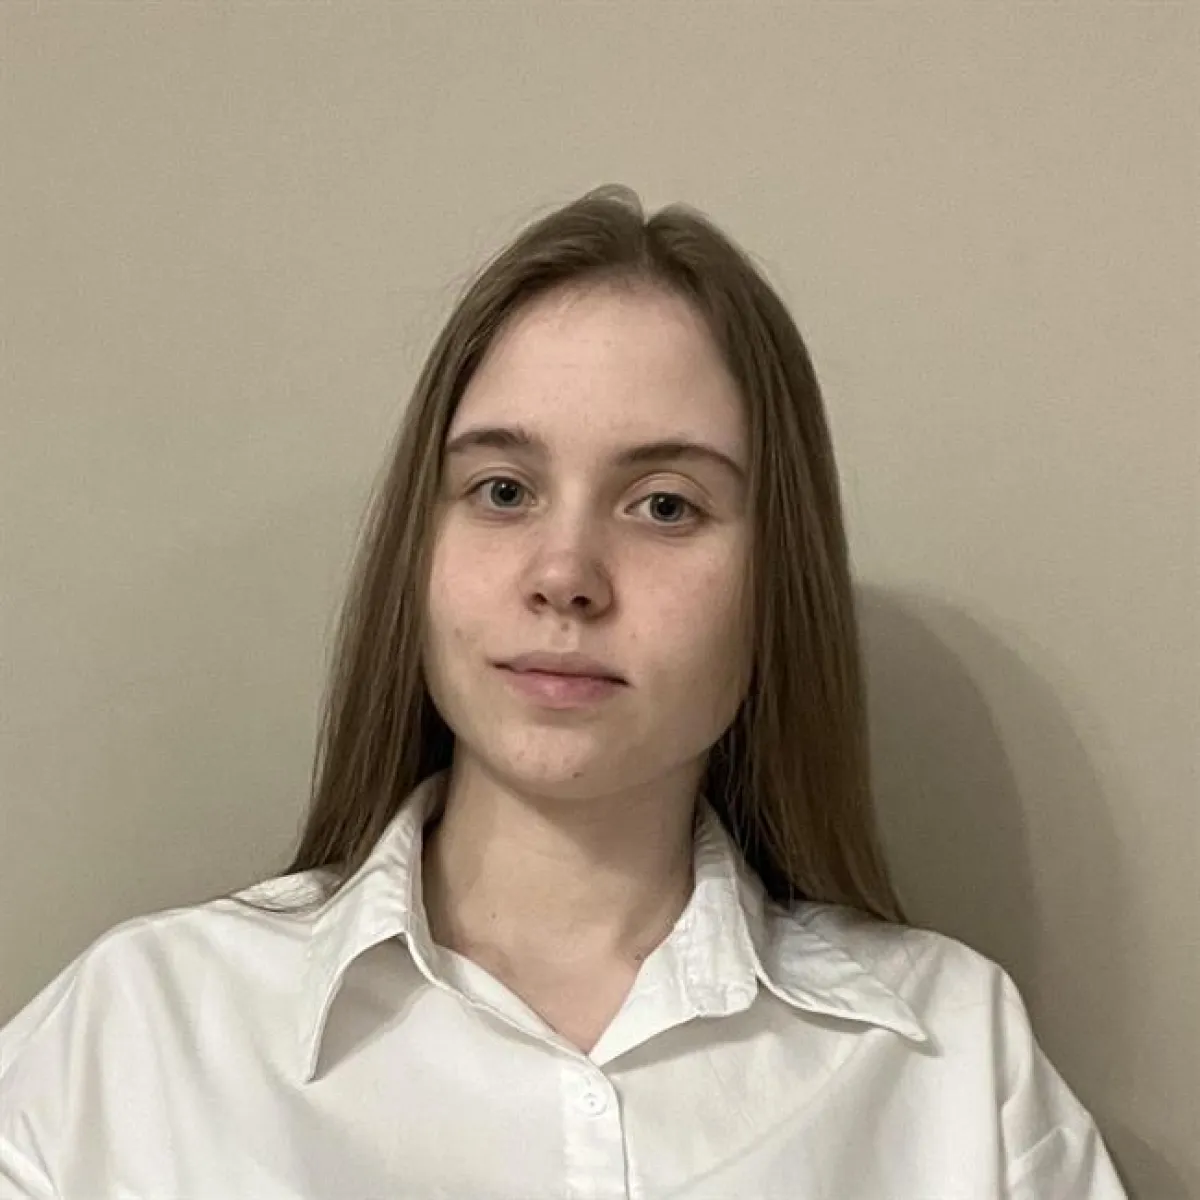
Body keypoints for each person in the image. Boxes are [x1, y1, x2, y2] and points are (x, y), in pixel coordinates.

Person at [0, 186, 1127, 1199]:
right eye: (502, 490)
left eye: (666, 505)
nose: (565, 575)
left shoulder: (953, 1061)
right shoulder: (136, 1040)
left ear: (774, 581)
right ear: (419, 549)